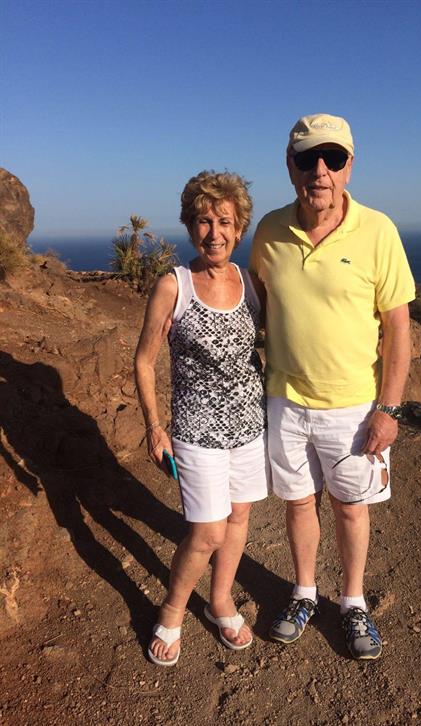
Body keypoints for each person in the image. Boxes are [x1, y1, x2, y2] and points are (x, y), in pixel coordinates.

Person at [250, 114, 415, 660]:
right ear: (289, 165)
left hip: (353, 406)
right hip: (286, 401)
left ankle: (352, 602)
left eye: (333, 158)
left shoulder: (378, 230)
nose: (319, 171)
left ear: (348, 166)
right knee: (298, 504)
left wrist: (389, 408)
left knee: (350, 508)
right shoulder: (269, 231)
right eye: (306, 158)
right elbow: (255, 304)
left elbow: (397, 328)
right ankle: (304, 593)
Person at [135, 171, 268, 666]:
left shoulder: (250, 284)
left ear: (239, 228)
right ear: (191, 228)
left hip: (248, 430)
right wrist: (154, 426)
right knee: (207, 532)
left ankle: (218, 601)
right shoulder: (175, 285)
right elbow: (145, 359)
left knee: (239, 519)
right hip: (197, 432)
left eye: (225, 222)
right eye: (204, 221)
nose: (215, 232)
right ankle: (171, 612)